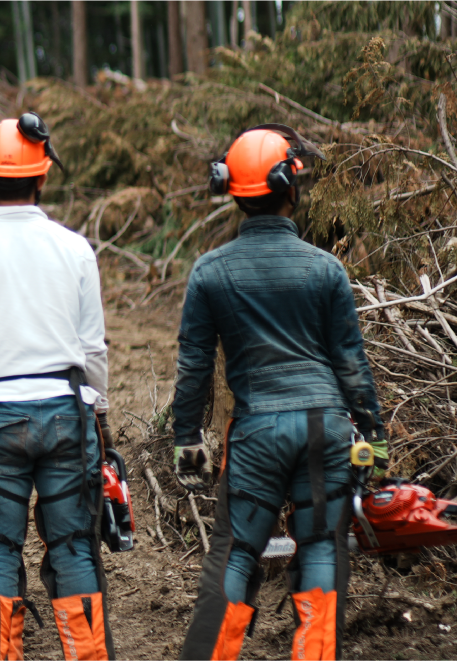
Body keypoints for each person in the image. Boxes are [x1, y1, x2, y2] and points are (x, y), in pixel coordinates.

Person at [171, 125, 386, 661]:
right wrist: (375, 435)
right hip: (327, 427)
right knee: (320, 546)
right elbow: (351, 363)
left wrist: (186, 439)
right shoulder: (326, 268)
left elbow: (194, 365)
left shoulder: (210, 272)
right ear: (292, 186)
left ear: (233, 192)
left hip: (259, 431)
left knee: (237, 552)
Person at [0, 114, 115, 661]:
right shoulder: (75, 247)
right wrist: (99, 414)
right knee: (75, 546)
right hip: (68, 409)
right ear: (42, 178)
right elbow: (94, 348)